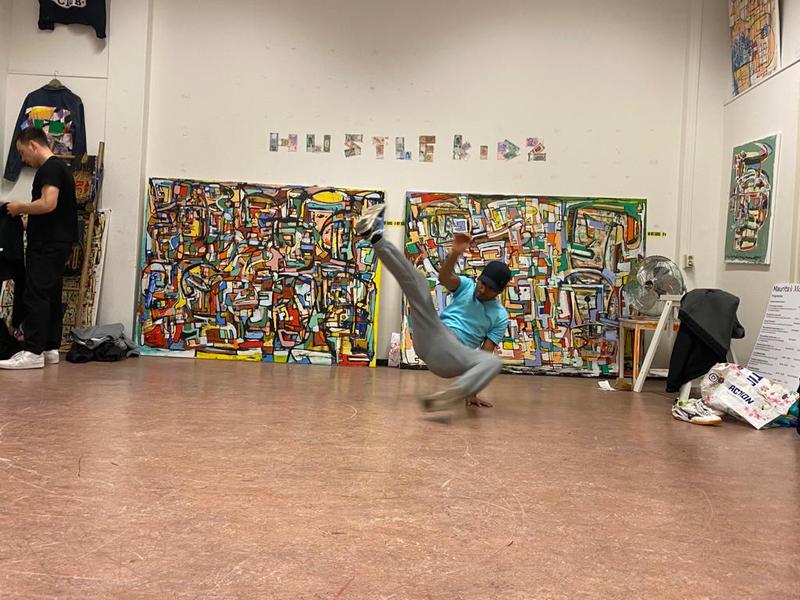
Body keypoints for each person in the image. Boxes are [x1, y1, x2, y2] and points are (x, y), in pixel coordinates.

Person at [355, 203, 511, 412]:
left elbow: (485, 353)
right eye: (482, 283)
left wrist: (473, 390)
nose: (482, 290)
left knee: (493, 363)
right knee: (418, 284)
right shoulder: (467, 286)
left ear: (499, 292)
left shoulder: (500, 316)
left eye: (489, 289)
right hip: (432, 335)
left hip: (454, 357)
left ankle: (452, 395)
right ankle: (375, 237)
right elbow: (444, 278)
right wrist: (455, 253)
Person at [0, 127, 77, 369]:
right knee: (51, 293)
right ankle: (49, 347)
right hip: (58, 241)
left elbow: (48, 203)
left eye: (22, 153)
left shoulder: (50, 168)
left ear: (33, 145)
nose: (23, 159)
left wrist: (20, 207)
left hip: (47, 244)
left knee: (35, 294)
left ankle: (33, 351)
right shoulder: (61, 168)